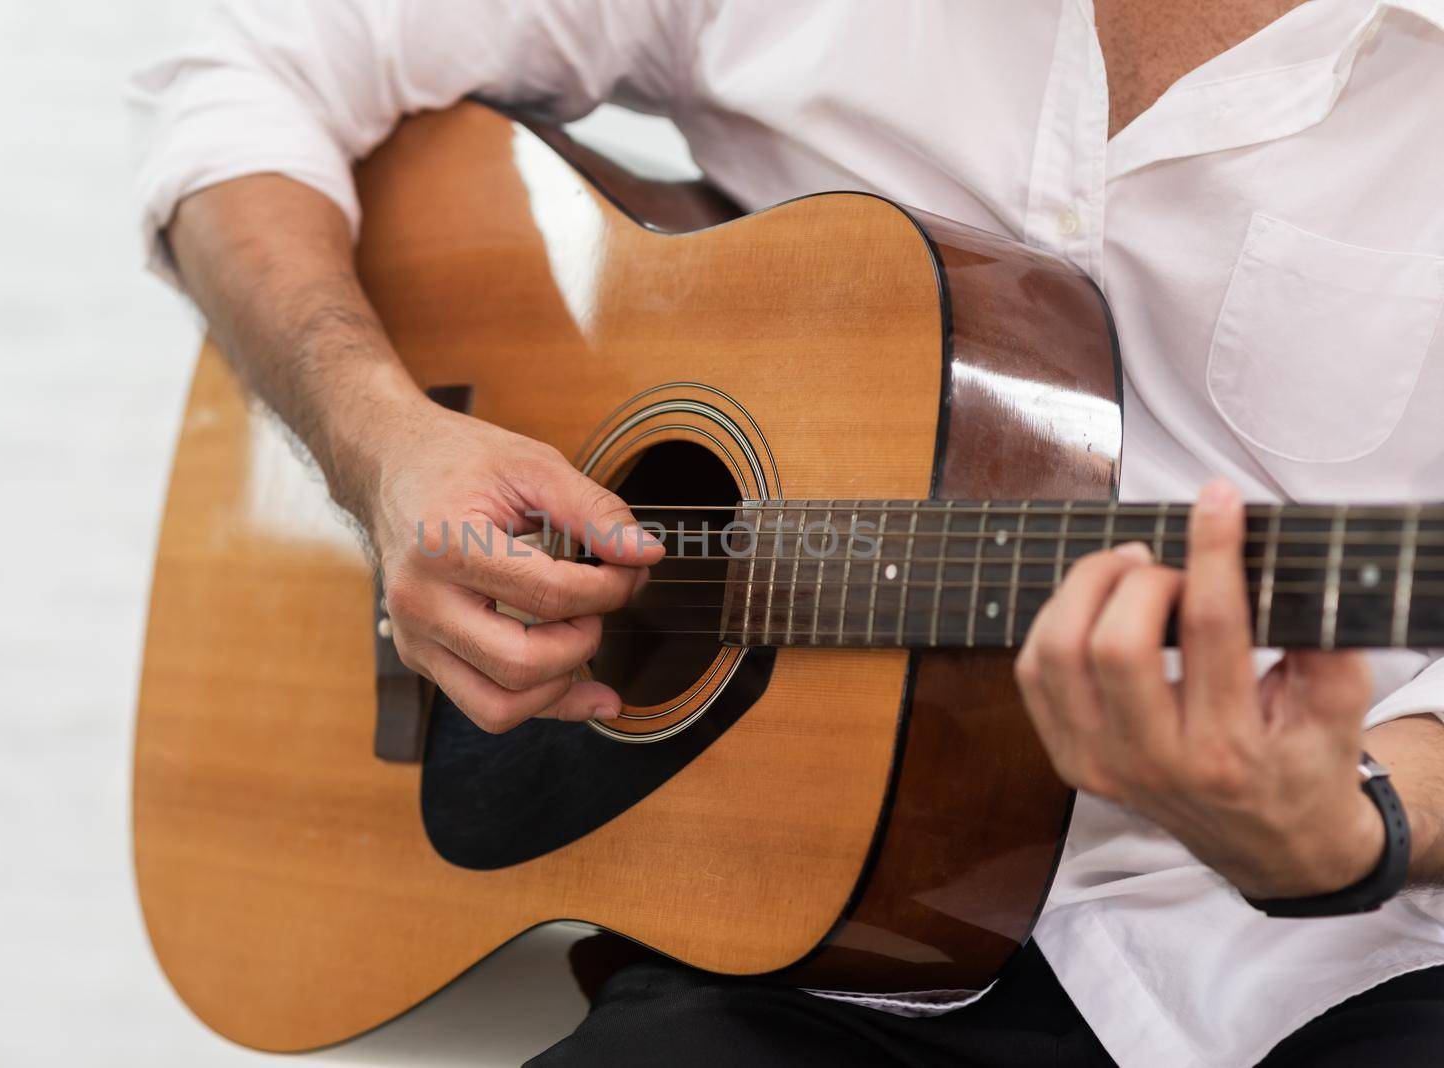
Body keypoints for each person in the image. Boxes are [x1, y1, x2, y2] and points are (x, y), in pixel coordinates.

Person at [129, 2, 1444, 1064]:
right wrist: (382, 447)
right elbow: (245, 66)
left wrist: (1351, 822)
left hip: (1346, 962)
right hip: (823, 946)